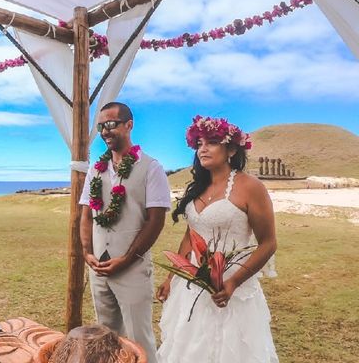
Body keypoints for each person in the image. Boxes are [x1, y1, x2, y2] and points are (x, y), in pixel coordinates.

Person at [156, 115, 279, 363]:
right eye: (199, 143)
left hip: (234, 284)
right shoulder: (198, 187)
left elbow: (268, 243)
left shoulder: (251, 187)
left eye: (211, 142)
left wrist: (233, 282)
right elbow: (191, 235)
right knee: (191, 347)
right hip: (194, 284)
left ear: (231, 148)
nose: (203, 148)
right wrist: (171, 277)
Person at [79, 102, 171, 363]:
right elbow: (86, 214)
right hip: (99, 267)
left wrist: (127, 259)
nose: (105, 131)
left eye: (111, 124)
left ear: (129, 125)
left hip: (132, 268)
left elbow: (155, 221)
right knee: (106, 335)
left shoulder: (151, 168)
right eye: (101, 126)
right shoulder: (96, 170)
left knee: (138, 338)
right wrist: (87, 252)